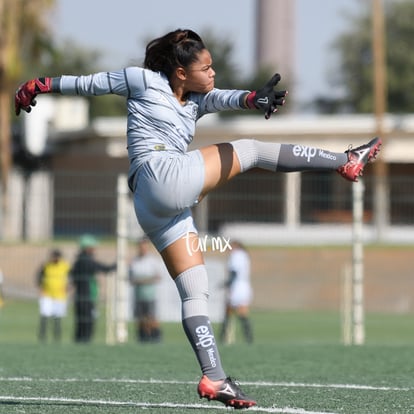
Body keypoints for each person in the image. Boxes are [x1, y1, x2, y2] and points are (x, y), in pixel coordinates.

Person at [15, 28, 381, 408]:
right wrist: (41, 84)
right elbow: (89, 84)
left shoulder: (195, 101)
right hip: (161, 173)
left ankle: (214, 377)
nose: (212, 74)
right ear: (180, 72)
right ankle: (345, 161)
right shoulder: (141, 80)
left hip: (152, 205)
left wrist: (253, 99)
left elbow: (224, 98)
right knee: (251, 150)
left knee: (195, 288)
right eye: (206, 68)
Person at [70, 234, 116, 343]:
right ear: (87, 248)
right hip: (87, 297)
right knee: (87, 323)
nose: (94, 250)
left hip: (79, 297)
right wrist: (117, 265)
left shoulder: (78, 262)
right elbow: (105, 268)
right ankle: (85, 344)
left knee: (80, 324)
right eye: (92, 248)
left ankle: (79, 343)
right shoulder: (86, 261)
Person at [129, 237, 163, 343]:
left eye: (144, 246)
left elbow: (158, 277)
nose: (142, 248)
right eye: (140, 246)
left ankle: (155, 336)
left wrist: (145, 280)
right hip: (138, 295)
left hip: (150, 295)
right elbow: (131, 278)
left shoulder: (152, 260)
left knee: (151, 316)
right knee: (140, 317)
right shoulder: (134, 261)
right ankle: (142, 336)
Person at [220, 241, 253, 344]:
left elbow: (234, 272)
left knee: (228, 312)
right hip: (244, 287)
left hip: (237, 287)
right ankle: (249, 339)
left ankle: (222, 338)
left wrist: (227, 283)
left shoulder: (236, 255)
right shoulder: (244, 255)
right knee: (242, 313)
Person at [36, 249, 70, 343]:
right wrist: (40, 287)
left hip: (60, 296)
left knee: (57, 318)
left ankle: (57, 338)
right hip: (47, 295)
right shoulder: (46, 266)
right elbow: (39, 277)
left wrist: (69, 287)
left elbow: (72, 277)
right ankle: (42, 337)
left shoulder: (65, 266)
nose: (54, 259)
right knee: (45, 316)